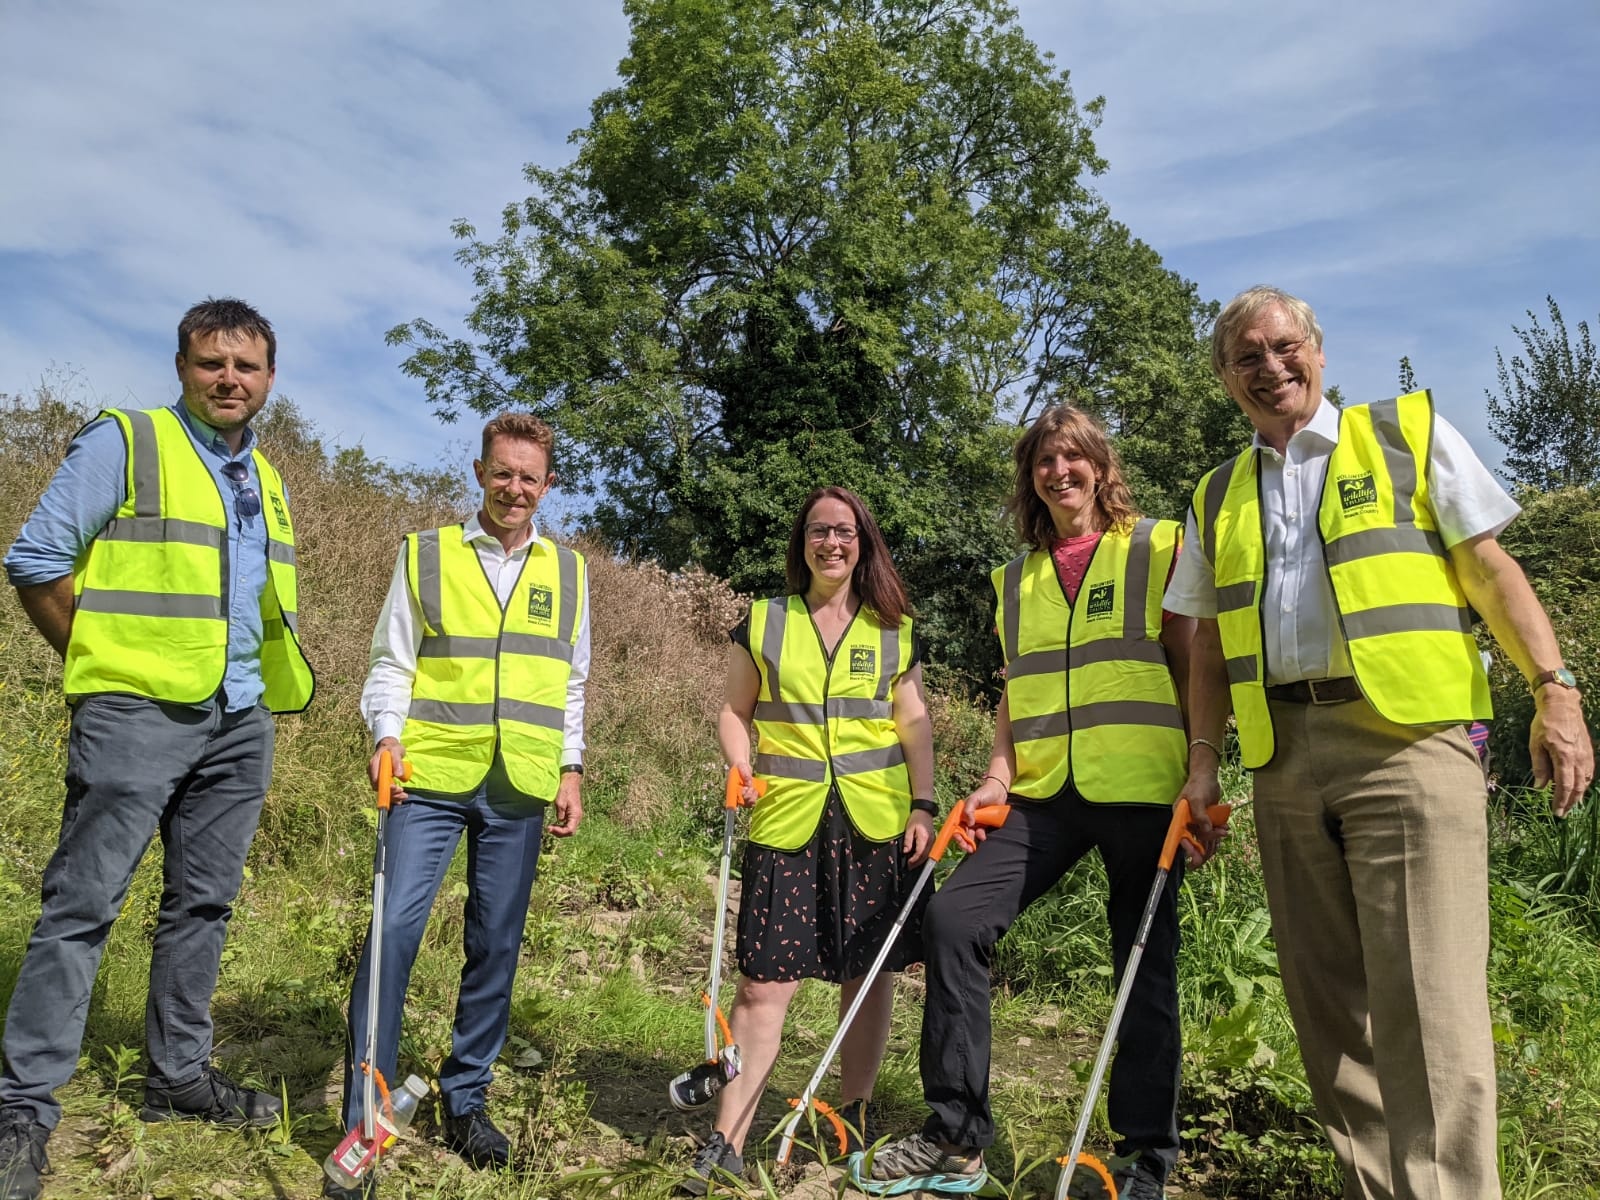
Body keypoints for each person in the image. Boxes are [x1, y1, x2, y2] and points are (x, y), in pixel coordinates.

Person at [1168, 285, 1595, 1200]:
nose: (1269, 366)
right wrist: (1204, 763)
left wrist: (1554, 690)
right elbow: (1204, 642)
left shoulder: (1404, 435)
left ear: (1319, 353)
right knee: (1328, 1015)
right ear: (1225, 378)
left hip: (1406, 744)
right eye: (1246, 356)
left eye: (1285, 347)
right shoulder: (1216, 495)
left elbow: (1490, 567)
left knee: (1430, 1010)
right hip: (1281, 756)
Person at [0, 299, 315, 1200]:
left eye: (246, 367)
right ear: (181, 366)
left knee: (203, 906)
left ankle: (177, 1078)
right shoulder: (125, 442)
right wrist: (100, 666)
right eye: (212, 363)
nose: (229, 380)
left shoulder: (268, 475)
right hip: (136, 715)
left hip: (239, 720)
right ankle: (24, 1107)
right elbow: (36, 560)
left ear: (268, 380)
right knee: (81, 906)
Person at [862, 406, 1202, 1200]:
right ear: (1030, 480)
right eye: (1044, 461)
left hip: (1147, 788)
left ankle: (1143, 1157)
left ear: (1100, 467)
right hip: (1044, 794)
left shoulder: (1158, 546)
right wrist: (996, 774)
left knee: (1143, 966)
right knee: (954, 920)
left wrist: (1201, 773)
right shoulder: (1015, 582)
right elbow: (1016, 692)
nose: (1059, 473)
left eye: (1073, 457)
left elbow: (1195, 664)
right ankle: (955, 1137)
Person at [329, 412, 588, 1198]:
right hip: (429, 777)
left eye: (530, 477)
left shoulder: (569, 572)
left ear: (548, 486)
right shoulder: (428, 554)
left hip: (522, 783)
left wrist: (571, 767)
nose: (515, 488)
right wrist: (385, 736)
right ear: (479, 473)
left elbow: (571, 681)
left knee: (496, 943)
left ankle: (465, 1098)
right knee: (394, 933)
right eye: (503, 472)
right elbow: (391, 660)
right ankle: (364, 1119)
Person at [681, 486, 936, 1196]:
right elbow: (735, 711)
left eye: (845, 532)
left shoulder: (895, 627)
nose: (832, 542)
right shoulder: (763, 622)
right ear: (802, 542)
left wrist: (924, 804)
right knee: (764, 985)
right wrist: (738, 761)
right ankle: (728, 1136)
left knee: (867, 977)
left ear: (865, 543)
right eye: (819, 531)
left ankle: (851, 1114)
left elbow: (914, 724)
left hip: (876, 824)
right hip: (786, 819)